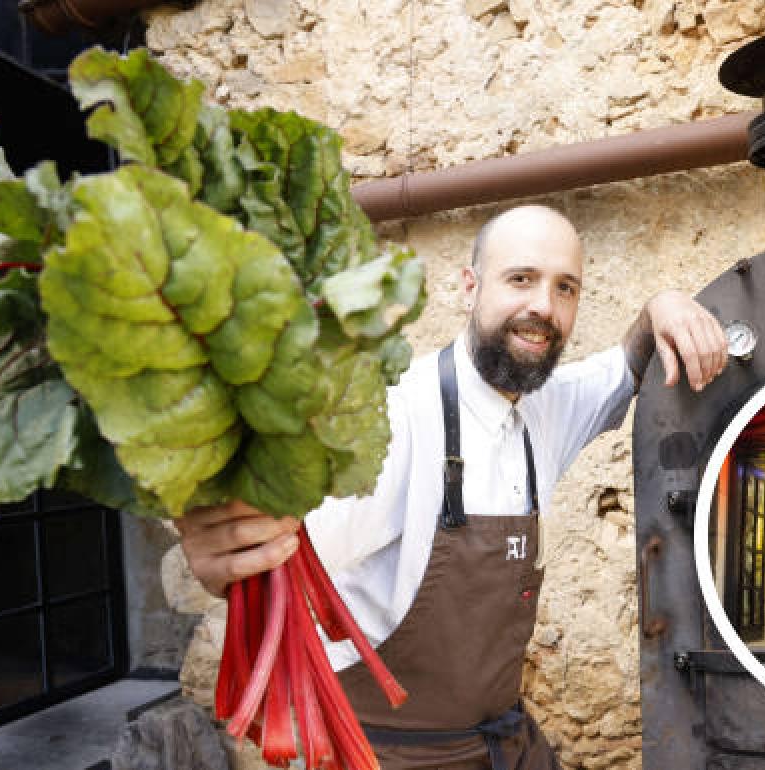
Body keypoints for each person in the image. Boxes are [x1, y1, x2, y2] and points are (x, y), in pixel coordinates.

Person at [174, 205, 728, 770]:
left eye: (566, 288)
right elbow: (280, 542)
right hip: (389, 755)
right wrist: (227, 537)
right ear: (469, 287)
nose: (543, 304)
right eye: (520, 279)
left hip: (501, 744)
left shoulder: (547, 406)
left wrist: (661, 305)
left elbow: (628, 364)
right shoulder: (394, 420)